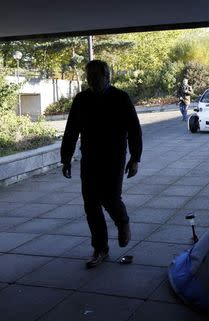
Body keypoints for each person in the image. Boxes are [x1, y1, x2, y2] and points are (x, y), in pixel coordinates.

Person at [60, 60, 142, 269]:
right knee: (91, 203)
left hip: (114, 157)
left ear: (107, 76)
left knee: (110, 197)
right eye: (90, 76)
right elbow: (71, 130)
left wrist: (135, 158)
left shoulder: (120, 98)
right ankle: (100, 248)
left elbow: (134, 129)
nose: (93, 80)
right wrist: (66, 158)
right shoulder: (81, 99)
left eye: (97, 75)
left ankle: (122, 221)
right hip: (90, 157)